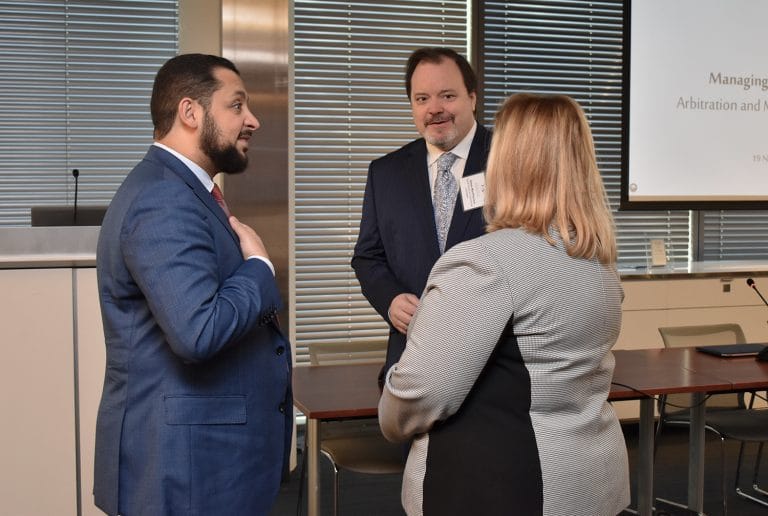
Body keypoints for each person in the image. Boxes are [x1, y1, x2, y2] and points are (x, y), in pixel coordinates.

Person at [378, 93, 631, 516]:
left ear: (507, 164)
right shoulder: (598, 262)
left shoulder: (484, 262)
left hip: (505, 489)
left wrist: (391, 398)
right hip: (590, 484)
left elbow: (416, 397)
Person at [93, 53, 292, 516]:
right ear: (190, 112)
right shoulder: (164, 198)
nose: (253, 120)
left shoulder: (181, 191)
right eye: (237, 105)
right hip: (186, 470)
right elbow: (197, 331)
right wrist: (259, 267)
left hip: (204, 463)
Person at [352, 47, 492, 382]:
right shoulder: (385, 173)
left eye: (448, 96)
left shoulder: (511, 160)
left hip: (493, 363)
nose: (434, 109)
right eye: (422, 99)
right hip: (412, 361)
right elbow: (368, 257)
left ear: (472, 98)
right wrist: (390, 300)